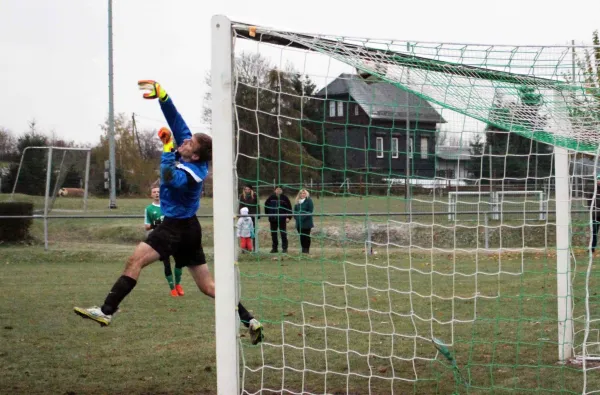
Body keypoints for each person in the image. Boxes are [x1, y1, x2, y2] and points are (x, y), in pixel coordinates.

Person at [74, 80, 263, 344]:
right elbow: (177, 120)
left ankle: (106, 311)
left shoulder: (192, 172)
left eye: (188, 143)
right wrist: (163, 96)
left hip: (174, 228)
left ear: (195, 155)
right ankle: (249, 319)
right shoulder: (191, 152)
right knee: (208, 287)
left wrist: (165, 149)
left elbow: (167, 177)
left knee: (134, 262)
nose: (183, 141)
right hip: (189, 228)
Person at [144, 183, 184, 297]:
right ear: (151, 195)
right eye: (154, 192)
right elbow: (146, 226)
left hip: (173, 237)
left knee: (179, 262)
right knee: (167, 264)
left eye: (158, 192)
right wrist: (155, 224)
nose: (157, 194)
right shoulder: (149, 209)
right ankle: (172, 288)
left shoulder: (168, 205)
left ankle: (178, 284)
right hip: (161, 239)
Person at [264, 186, 292, 253]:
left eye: (280, 189)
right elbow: (266, 206)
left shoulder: (285, 198)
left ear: (282, 190)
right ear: (275, 190)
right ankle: (274, 248)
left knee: (283, 234)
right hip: (273, 219)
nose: (279, 190)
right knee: (274, 234)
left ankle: (284, 248)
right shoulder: (271, 198)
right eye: (277, 189)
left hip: (282, 219)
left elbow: (289, 208)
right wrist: (269, 214)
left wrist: (288, 217)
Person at [293, 189, 314, 254]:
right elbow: (295, 211)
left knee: (306, 236)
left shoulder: (309, 201)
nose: (302, 194)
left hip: (306, 222)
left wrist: (302, 217)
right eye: (301, 193)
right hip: (299, 223)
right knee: (301, 236)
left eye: (304, 193)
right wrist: (297, 217)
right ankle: (303, 250)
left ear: (306, 194)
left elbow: (310, 211)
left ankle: (307, 250)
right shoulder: (297, 202)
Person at [239, 184, 259, 251]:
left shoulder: (254, 196)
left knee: (253, 232)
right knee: (244, 233)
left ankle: (255, 248)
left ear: (251, 190)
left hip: (253, 216)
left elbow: (257, 205)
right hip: (245, 218)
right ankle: (244, 249)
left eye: (248, 189)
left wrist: (257, 215)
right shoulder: (242, 196)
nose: (247, 190)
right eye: (246, 189)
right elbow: (240, 206)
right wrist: (240, 215)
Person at [585, 174, 600, 254]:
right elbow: (589, 202)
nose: (599, 181)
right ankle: (592, 248)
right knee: (594, 232)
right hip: (595, 215)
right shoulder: (593, 190)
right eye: (598, 179)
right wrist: (591, 211)